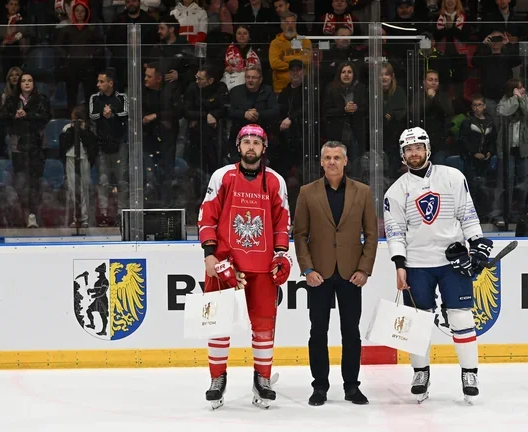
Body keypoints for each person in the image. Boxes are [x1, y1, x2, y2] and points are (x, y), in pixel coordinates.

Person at [383, 127, 493, 404]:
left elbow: (467, 214)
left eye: (418, 148)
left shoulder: (452, 177)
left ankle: (469, 374)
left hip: (451, 261)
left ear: (428, 149)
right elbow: (395, 232)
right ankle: (421, 373)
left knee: (461, 317)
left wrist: (477, 244)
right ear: (402, 155)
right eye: (409, 149)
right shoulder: (396, 191)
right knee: (416, 323)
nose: (414, 153)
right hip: (417, 263)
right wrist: (399, 265)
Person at [198, 124, 292, 410]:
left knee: (264, 326)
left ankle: (262, 379)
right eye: (247, 142)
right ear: (238, 146)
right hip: (224, 264)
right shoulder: (222, 176)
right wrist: (210, 255)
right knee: (218, 324)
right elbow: (207, 215)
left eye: (256, 142)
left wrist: (281, 255)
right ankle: (217, 379)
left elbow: (282, 222)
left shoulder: (275, 181)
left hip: (262, 268)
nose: (251, 146)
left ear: (264, 148)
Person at [292, 140, 378, 407]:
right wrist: (307, 269)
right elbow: (300, 234)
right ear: (321, 162)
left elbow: (372, 234)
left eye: (337, 157)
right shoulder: (307, 192)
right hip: (319, 274)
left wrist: (364, 269)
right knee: (318, 331)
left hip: (352, 274)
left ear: (345, 161)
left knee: (351, 331)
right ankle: (319, 386)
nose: (332, 162)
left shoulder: (363, 192)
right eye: (327, 158)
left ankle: (352, 386)